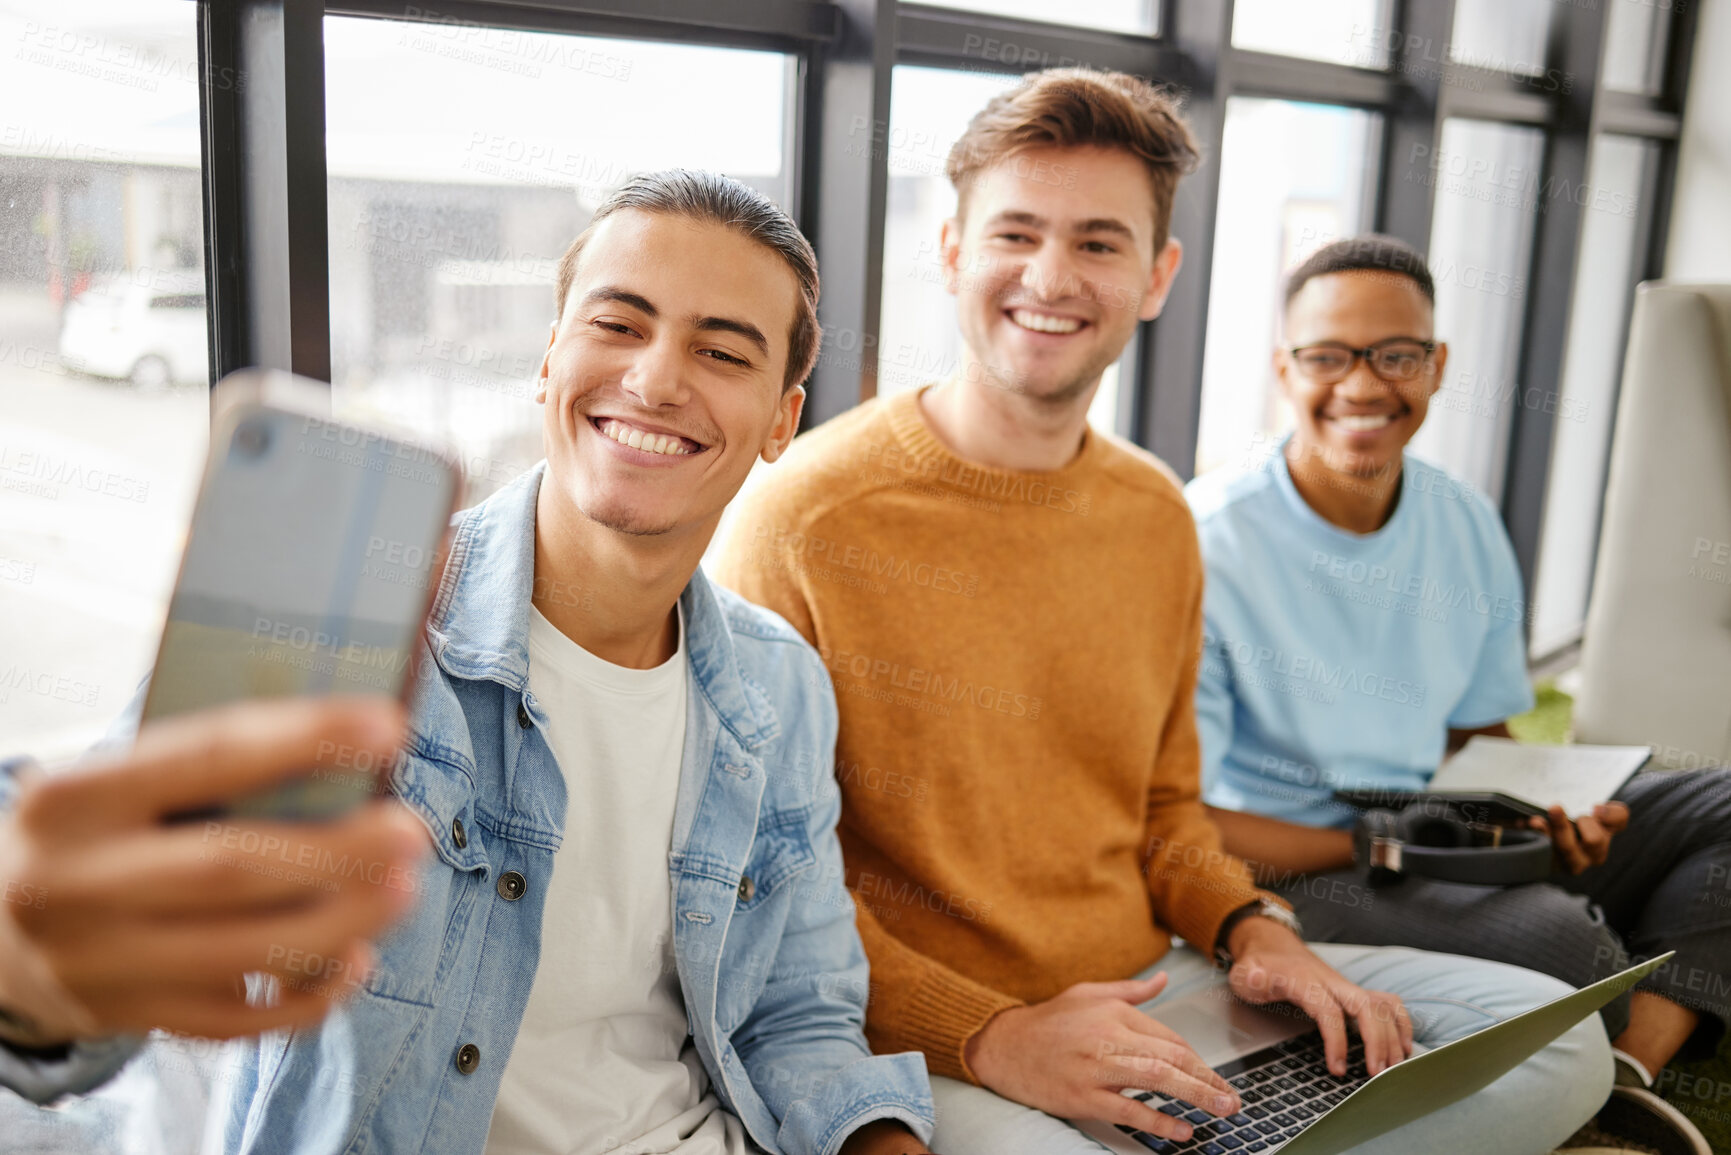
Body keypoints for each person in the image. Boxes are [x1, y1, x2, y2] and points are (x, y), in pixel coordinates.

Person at [714, 68, 1612, 1155]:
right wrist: (994, 1031)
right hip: (948, 1034)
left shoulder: (1153, 511)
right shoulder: (805, 517)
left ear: (1156, 275)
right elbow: (765, 888)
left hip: (1160, 982)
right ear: (951, 250)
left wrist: (1253, 928)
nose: (1052, 275)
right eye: (1016, 234)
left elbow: (1168, 813)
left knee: (1560, 1044)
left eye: (1099, 242)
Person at [0, 171, 936, 1155]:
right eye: (619, 326)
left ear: (782, 420)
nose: (658, 379)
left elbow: (800, 1013)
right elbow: (107, 884)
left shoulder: (779, 686)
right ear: (548, 361)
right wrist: (36, 968)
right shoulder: (357, 631)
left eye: (720, 350)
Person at [1184, 232, 1731, 1155]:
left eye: (1394, 355)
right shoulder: (1203, 541)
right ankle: (1625, 1015)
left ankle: (1631, 1072)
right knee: (1565, 943)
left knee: (1719, 804)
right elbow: (1186, 821)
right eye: (1327, 356)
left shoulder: (1461, 516)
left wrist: (1533, 813)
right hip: (1297, 860)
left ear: (1435, 367)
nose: (1361, 386)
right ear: (1285, 368)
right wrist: (1398, 848)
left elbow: (1483, 733)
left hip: (1435, 820)